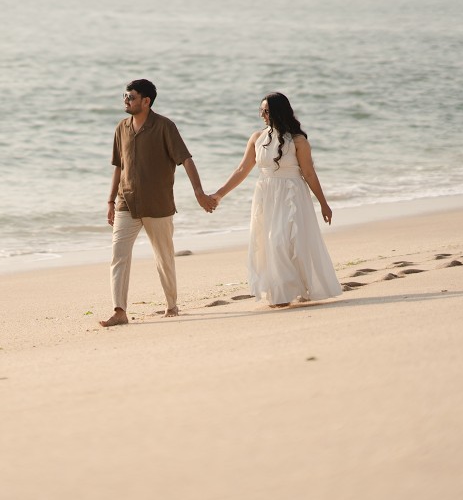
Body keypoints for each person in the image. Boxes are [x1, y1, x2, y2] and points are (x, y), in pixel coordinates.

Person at [209, 92, 343, 308]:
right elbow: (242, 169)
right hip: (266, 194)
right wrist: (218, 195)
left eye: (266, 111)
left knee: (287, 241)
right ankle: (281, 292)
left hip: (292, 194)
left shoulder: (298, 141)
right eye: (261, 110)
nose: (262, 114)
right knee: (269, 242)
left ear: (278, 112)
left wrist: (324, 204)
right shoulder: (256, 138)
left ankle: (293, 288)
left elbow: (309, 173)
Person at [101, 79, 216, 327]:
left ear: (146, 101)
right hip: (126, 203)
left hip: (158, 204)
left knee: (164, 257)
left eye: (130, 96)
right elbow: (119, 166)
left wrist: (199, 192)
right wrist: (110, 200)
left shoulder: (165, 126)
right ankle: (119, 311)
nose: (126, 100)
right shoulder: (121, 128)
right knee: (118, 255)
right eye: (124, 95)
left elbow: (186, 159)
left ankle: (171, 305)